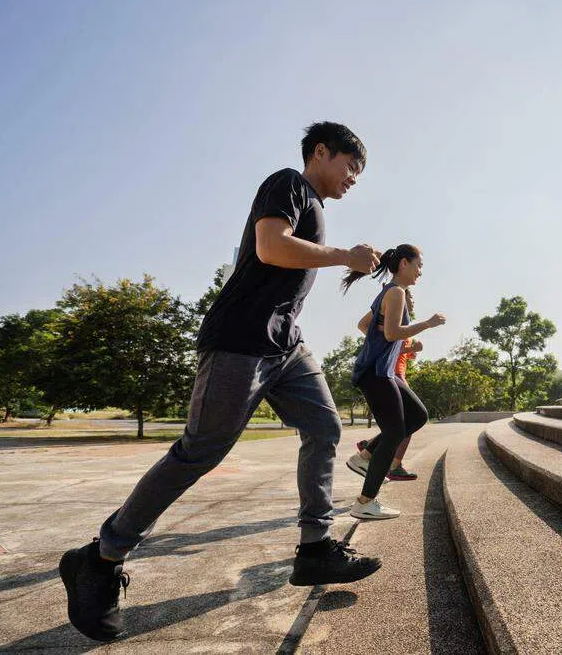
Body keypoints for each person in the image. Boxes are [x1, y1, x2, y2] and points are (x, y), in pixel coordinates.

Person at [59, 122, 383, 643]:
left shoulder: (314, 206)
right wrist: (346, 256)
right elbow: (271, 247)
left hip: (286, 345)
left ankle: (315, 548)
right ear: (321, 152)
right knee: (200, 452)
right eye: (351, 166)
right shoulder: (288, 183)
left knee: (324, 427)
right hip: (239, 340)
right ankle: (100, 557)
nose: (353, 179)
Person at [340, 245, 445, 519]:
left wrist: (384, 338)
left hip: (381, 371)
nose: (420, 271)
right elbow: (392, 333)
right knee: (394, 431)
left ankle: (365, 457)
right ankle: (365, 501)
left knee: (417, 415)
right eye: (418, 265)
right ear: (404, 264)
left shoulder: (389, 292)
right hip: (375, 373)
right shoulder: (396, 292)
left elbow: (367, 325)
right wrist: (428, 323)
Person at [355, 288, 423, 481]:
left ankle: (371, 448)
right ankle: (393, 465)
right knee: (410, 419)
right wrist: (409, 347)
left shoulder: (402, 322)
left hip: (397, 372)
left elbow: (396, 347)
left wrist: (410, 350)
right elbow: (385, 340)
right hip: (392, 373)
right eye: (410, 297)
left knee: (403, 422)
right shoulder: (392, 311)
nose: (413, 301)